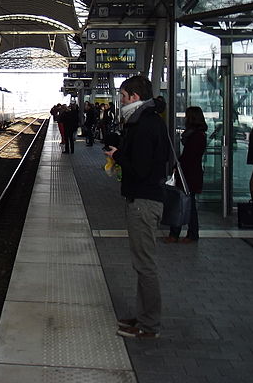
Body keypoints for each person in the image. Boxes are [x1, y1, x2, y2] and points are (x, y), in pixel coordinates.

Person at [104, 75, 169, 339]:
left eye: (122, 96)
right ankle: (143, 317)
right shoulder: (147, 120)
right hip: (145, 199)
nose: (119, 101)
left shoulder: (143, 124)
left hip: (144, 201)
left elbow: (141, 170)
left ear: (133, 97)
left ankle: (149, 326)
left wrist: (118, 155)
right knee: (142, 264)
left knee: (145, 266)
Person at [164, 106, 207, 243]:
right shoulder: (195, 135)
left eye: (187, 116)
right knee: (186, 203)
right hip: (189, 174)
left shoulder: (196, 136)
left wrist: (178, 166)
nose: (185, 118)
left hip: (189, 175)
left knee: (185, 204)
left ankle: (187, 233)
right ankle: (182, 233)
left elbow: (189, 157)